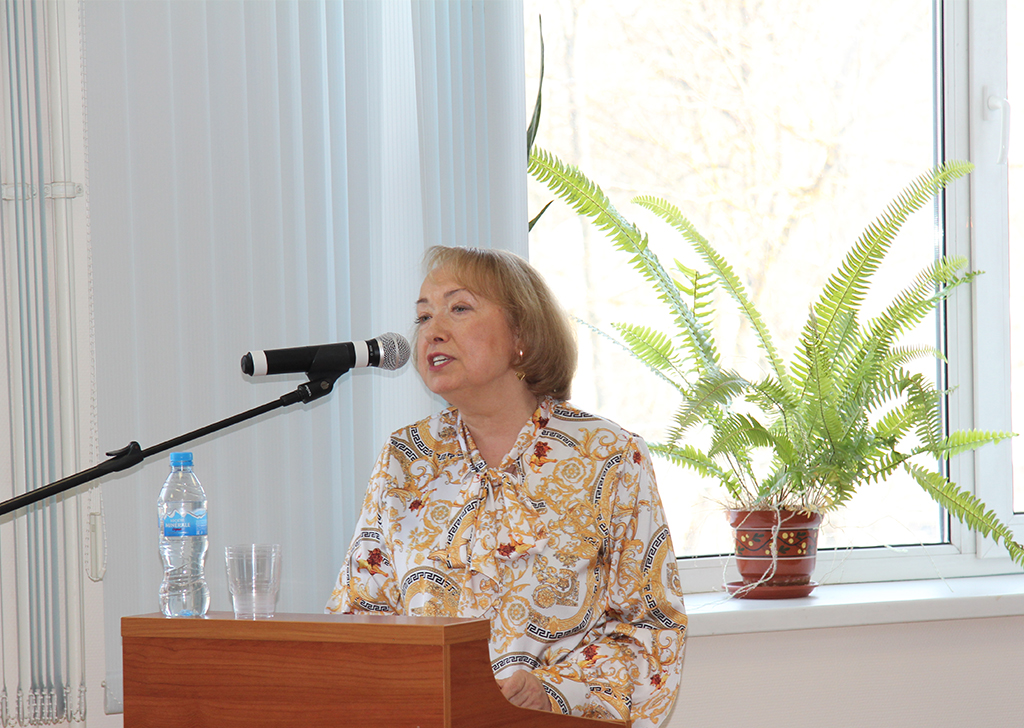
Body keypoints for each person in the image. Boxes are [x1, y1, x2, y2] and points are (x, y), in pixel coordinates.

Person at [326, 245, 687, 726]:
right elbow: (359, 614)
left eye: (459, 308)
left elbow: (651, 628)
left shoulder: (609, 455)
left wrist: (553, 691)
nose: (433, 331)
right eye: (423, 316)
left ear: (522, 334)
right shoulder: (406, 457)